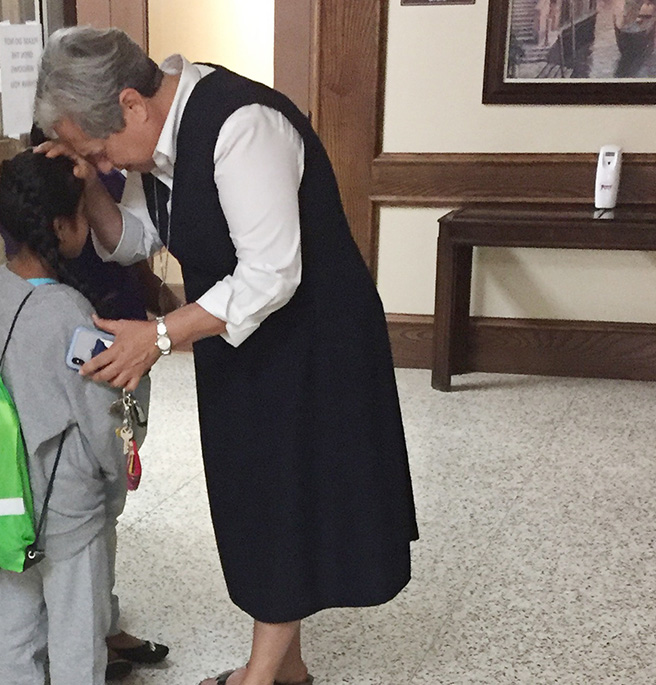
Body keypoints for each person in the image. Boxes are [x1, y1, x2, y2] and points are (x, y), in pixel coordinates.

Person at [33, 27, 419, 685]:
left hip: (313, 340)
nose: (106, 161)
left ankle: (262, 677)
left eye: (98, 148)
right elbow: (138, 237)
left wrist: (156, 336)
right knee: (254, 495)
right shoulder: (154, 145)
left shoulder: (242, 126)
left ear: (131, 104)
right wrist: (89, 183)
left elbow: (271, 273)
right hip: (237, 335)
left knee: (285, 496)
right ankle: (285, 668)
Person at [0, 150, 164, 685]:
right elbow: (104, 419)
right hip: (68, 506)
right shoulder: (71, 314)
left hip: (9, 494)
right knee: (78, 632)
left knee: (16, 619)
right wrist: (117, 477)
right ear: (61, 226)